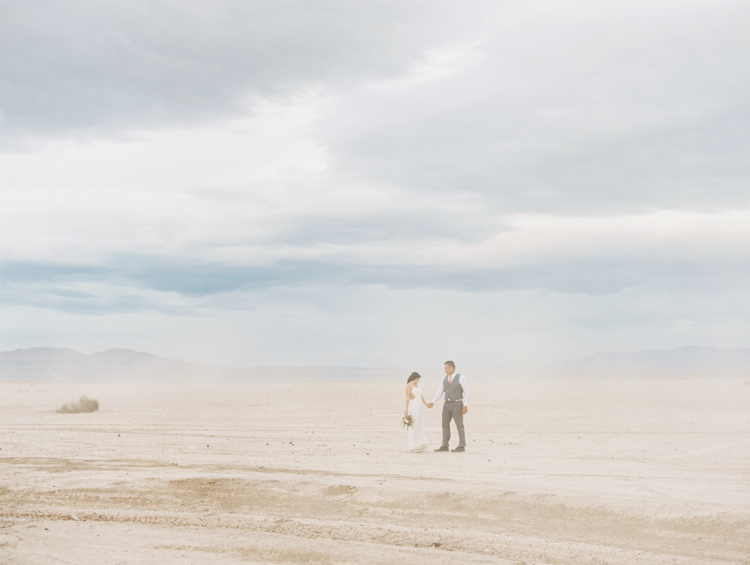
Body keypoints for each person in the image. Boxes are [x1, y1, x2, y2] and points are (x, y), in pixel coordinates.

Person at [428, 360, 469, 452]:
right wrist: (433, 401)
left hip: (457, 404)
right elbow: (440, 391)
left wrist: (465, 404)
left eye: (446, 368)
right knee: (445, 424)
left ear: (451, 367)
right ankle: (444, 445)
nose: (445, 370)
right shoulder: (444, 379)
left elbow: (466, 391)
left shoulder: (461, 378)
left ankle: (461, 445)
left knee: (459, 425)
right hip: (447, 404)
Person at [404, 372, 430, 452]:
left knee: (419, 424)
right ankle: (413, 445)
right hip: (413, 406)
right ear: (416, 378)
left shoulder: (417, 386)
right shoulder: (409, 386)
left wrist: (426, 404)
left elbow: (421, 396)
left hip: (419, 407)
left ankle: (418, 443)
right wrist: (406, 409)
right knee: (414, 425)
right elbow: (408, 397)